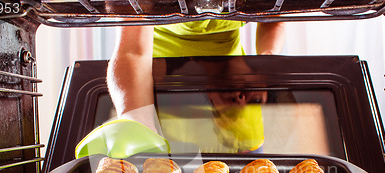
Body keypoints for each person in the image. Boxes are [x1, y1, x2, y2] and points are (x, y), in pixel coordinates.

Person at [107, 20, 286, 131]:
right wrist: (136, 120)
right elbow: (132, 52)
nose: (241, 100)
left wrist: (267, 58)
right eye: (254, 101)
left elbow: (273, 19)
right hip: (149, 76)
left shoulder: (244, 120)